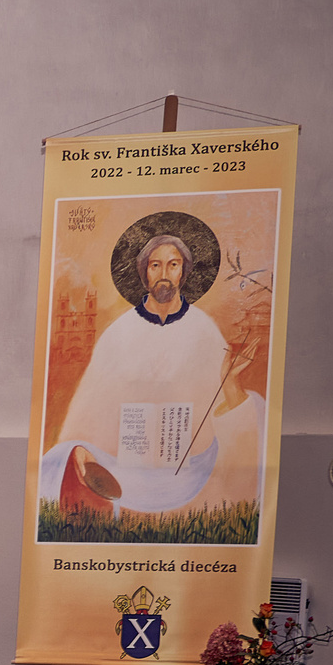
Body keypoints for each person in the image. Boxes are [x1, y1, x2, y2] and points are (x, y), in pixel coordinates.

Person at [43, 214, 265, 537]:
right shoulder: (118, 333)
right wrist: (78, 448)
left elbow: (225, 409)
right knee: (55, 460)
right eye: (155, 265)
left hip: (192, 472)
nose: (164, 274)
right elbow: (88, 409)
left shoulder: (204, 331)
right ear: (144, 272)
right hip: (124, 473)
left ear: (184, 272)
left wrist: (231, 384)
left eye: (173, 265)